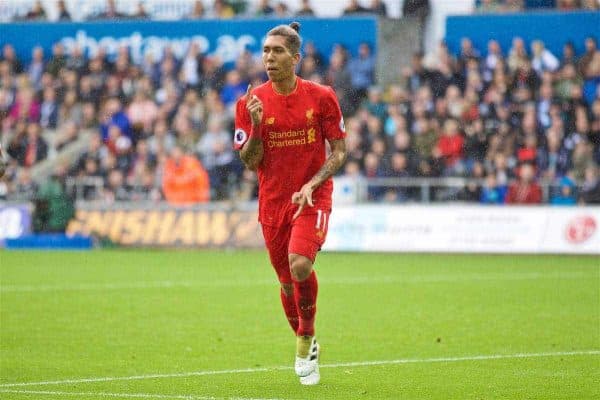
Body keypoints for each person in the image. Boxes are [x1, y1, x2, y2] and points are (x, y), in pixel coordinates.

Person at [234, 22, 347, 385]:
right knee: (286, 284)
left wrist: (313, 184)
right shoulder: (250, 103)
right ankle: (308, 338)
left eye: (277, 51)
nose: (269, 57)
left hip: (313, 196)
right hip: (273, 202)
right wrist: (254, 126)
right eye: (265, 50)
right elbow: (250, 162)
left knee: (300, 265)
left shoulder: (321, 96)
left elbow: (339, 152)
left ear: (296, 58)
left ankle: (304, 339)